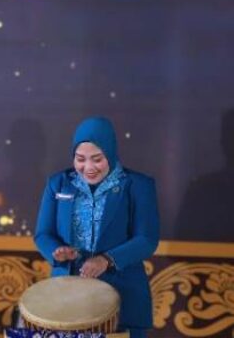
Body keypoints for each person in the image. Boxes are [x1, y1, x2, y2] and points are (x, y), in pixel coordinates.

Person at [34, 116, 159, 338]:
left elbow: (146, 239)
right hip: (66, 300)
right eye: (80, 159)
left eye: (97, 159)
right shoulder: (58, 184)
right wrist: (57, 251)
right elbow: (43, 234)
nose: (88, 168)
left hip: (123, 296)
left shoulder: (138, 185)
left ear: (110, 152)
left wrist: (106, 260)